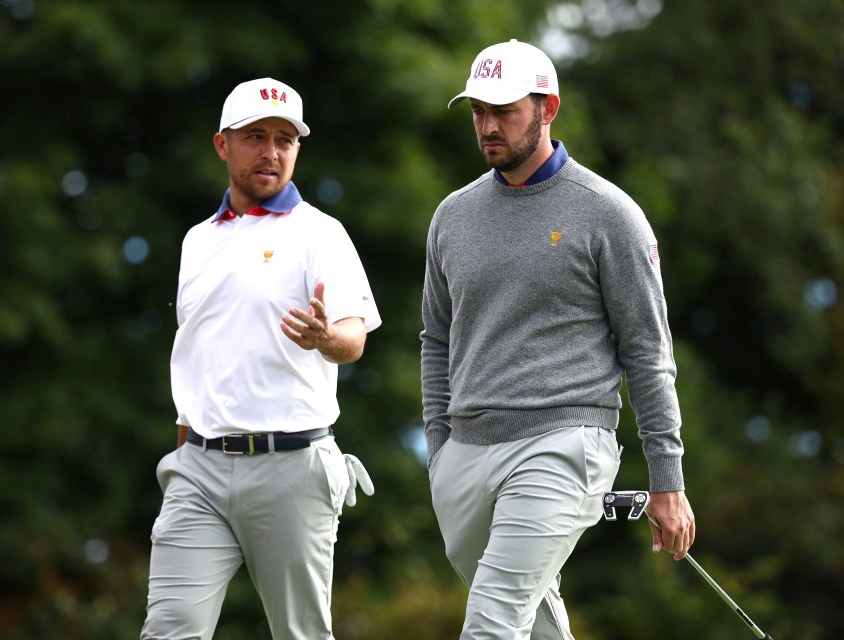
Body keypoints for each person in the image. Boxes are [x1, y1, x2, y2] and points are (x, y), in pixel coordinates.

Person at [420, 40, 696, 639]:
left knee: (492, 622)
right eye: (477, 112)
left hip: (564, 444)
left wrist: (666, 481)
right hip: (464, 452)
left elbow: (648, 354)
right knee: (534, 620)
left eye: (504, 110)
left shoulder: (608, 214)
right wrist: (439, 447)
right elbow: (435, 340)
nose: (488, 126)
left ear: (548, 109)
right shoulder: (452, 216)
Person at [141, 77, 381, 640]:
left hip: (292, 466)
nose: (271, 152)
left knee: (299, 633)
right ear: (223, 144)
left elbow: (354, 336)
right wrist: (183, 450)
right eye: (255, 136)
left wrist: (326, 339)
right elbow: (196, 352)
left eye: (284, 139)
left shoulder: (321, 233)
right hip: (197, 469)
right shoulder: (196, 240)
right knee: (169, 630)